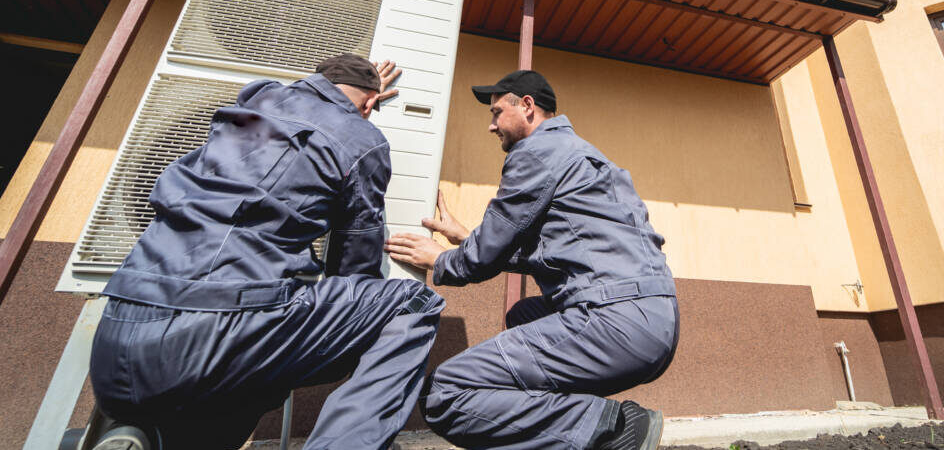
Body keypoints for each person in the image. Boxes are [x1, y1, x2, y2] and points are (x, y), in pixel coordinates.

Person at [89, 54, 445, 450]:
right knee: (413, 302)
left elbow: (299, 104)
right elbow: (354, 264)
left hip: (116, 337)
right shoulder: (362, 138)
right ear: (367, 106)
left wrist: (355, 91)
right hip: (215, 331)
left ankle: (147, 437)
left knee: (249, 379)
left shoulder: (251, 106)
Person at [386, 69, 678, 450]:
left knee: (445, 392)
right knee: (522, 315)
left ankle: (613, 429)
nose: (491, 126)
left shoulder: (537, 152)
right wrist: (466, 238)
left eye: (495, 113)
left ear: (526, 106)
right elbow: (551, 250)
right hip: (656, 321)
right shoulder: (582, 154)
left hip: (614, 321)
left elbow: (479, 260)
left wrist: (441, 260)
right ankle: (586, 422)